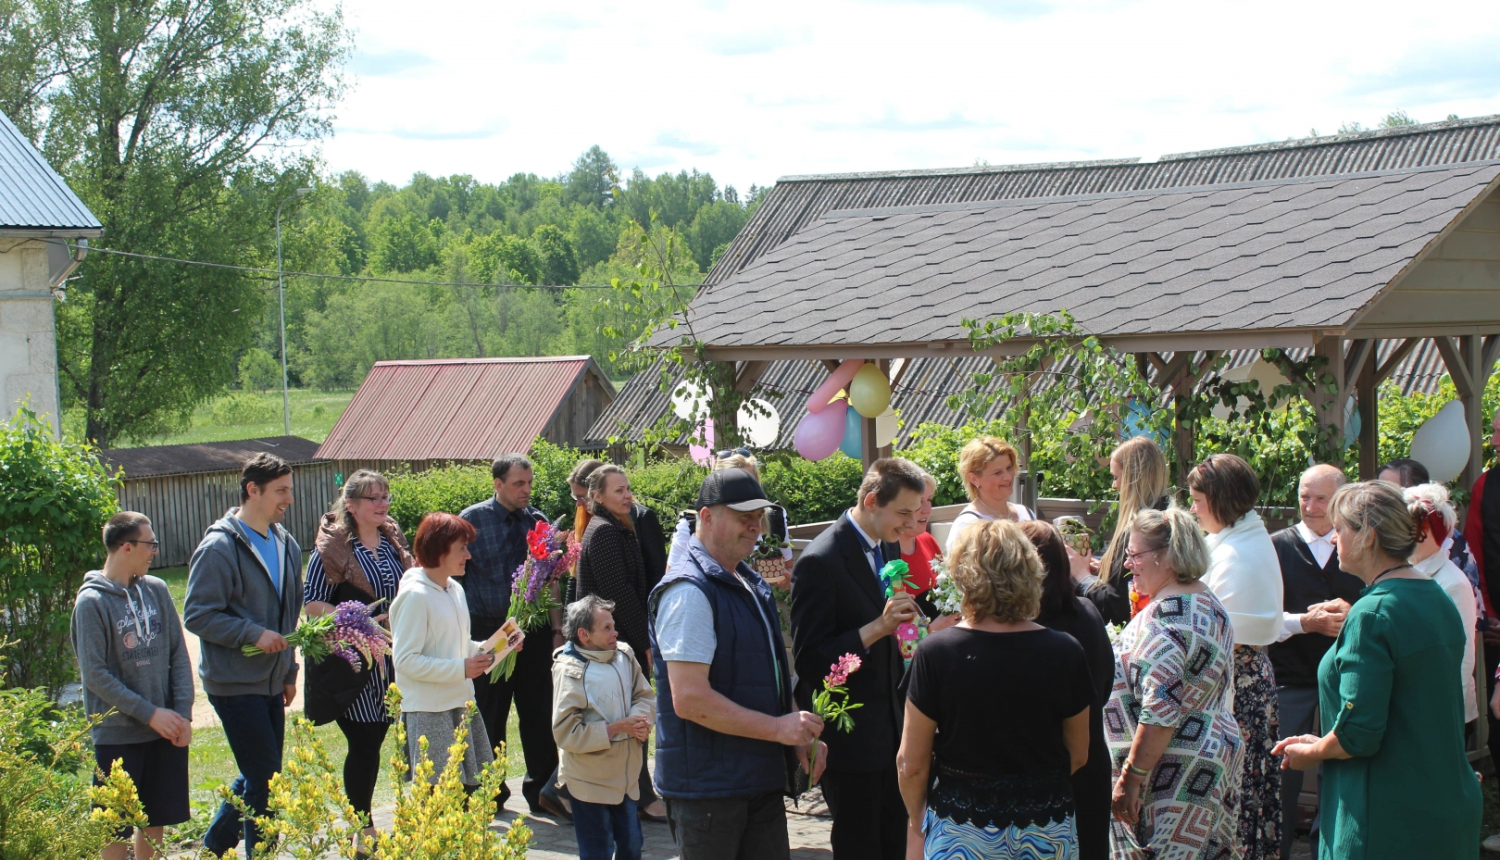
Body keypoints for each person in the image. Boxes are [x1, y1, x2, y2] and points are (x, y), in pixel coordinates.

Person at [1273, 481, 1481, 859]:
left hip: (1386, 819)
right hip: (1442, 805)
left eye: (1341, 528)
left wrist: (1311, 751)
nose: (1334, 539)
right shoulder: (1437, 594)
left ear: (1368, 536)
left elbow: (1359, 736)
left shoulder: (1372, 614)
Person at [648, 468, 826, 859]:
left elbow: (769, 677)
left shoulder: (750, 582)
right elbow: (690, 700)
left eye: (758, 516)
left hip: (753, 779)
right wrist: (778, 729)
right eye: (743, 515)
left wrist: (797, 734)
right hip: (710, 791)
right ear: (706, 517)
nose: (754, 525)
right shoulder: (688, 591)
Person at [897, 518, 1092, 859]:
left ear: (963, 576)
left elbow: (911, 764)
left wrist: (917, 820)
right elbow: (1078, 752)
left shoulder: (937, 653)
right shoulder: (1066, 651)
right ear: (1031, 572)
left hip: (962, 831)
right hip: (1046, 827)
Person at [790, 458, 925, 860]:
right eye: (903, 513)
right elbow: (810, 661)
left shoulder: (885, 545)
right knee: (860, 847)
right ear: (871, 501)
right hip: (851, 740)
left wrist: (912, 633)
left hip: (892, 731)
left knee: (894, 846)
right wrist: (876, 629)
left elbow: (893, 629)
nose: (908, 525)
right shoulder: (820, 561)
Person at [184, 453, 302, 859]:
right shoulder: (219, 547)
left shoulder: (286, 543)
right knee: (266, 778)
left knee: (259, 773)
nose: (289, 499)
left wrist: (290, 670)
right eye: (281, 491)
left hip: (271, 680)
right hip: (233, 682)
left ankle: (213, 847)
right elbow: (198, 614)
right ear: (253, 490)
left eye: (290, 489)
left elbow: (289, 617)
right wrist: (252, 633)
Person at [1106, 506, 1242, 859]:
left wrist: (1131, 778)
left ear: (1166, 557)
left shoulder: (1164, 619)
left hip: (1175, 770)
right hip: (1210, 756)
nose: (1127, 564)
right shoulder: (1209, 602)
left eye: (1134, 554)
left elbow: (1160, 712)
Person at [301, 470, 414, 854]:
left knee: (387, 740)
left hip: (394, 660)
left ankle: (392, 820)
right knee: (364, 744)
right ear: (350, 505)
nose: (383, 504)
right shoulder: (331, 548)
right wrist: (358, 621)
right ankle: (361, 830)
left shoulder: (392, 540)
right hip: (357, 663)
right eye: (373, 498)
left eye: (386, 497)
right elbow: (313, 605)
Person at [73, 513, 193, 860]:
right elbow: (95, 675)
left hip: (165, 729)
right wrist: (150, 713)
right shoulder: (91, 602)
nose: (155, 551)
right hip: (118, 733)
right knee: (115, 826)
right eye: (149, 544)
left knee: (155, 819)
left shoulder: (156, 590)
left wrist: (181, 714)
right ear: (127, 547)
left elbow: (178, 654)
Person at [1186, 452, 1283, 860]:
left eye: (1197, 499)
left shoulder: (1237, 555)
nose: (1192, 508)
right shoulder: (1237, 538)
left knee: (1237, 801)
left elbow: (1216, 631)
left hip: (1236, 692)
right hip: (1243, 683)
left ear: (1221, 500)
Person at [1266, 463, 1360, 859]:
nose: (1310, 505)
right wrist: (1306, 623)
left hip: (1345, 678)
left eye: (1321, 498)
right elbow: (1264, 616)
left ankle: (1328, 848)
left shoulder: (1357, 547)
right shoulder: (1277, 546)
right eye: (1305, 495)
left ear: (1339, 499)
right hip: (1290, 677)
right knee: (1282, 770)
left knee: (1336, 770)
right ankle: (1278, 849)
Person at [458, 454, 559, 815]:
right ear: (498, 484)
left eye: (529, 483)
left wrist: (557, 630)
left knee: (538, 713)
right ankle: (489, 791)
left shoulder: (540, 521)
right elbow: (456, 581)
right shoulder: (472, 521)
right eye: (519, 483)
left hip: (530, 631)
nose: (526, 490)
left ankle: (544, 791)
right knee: (489, 714)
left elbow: (551, 580)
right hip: (490, 631)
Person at [574, 464, 665, 820]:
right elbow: (618, 594)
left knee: (627, 716)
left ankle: (634, 792)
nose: (627, 496)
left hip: (618, 638)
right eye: (618, 491)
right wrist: (645, 641)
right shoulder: (605, 532)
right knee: (628, 717)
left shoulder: (616, 527)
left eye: (628, 489)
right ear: (597, 497)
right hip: (612, 640)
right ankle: (640, 796)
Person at [1018, 520, 1113, 860]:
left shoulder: (1026, 628)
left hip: (1045, 768)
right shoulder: (1086, 610)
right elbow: (1103, 685)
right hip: (1090, 762)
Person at [390, 512, 497, 791]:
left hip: (460, 703)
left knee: (466, 799)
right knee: (438, 801)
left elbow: (458, 646)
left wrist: (495, 648)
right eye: (461, 548)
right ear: (439, 550)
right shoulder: (415, 596)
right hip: (430, 712)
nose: (468, 555)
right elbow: (404, 661)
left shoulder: (455, 590)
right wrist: (460, 669)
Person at [552, 595, 657, 860]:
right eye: (607, 628)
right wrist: (614, 729)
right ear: (584, 634)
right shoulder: (569, 670)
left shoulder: (624, 654)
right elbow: (566, 733)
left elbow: (644, 696)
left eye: (613, 625)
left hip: (626, 778)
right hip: (589, 781)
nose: (615, 632)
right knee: (597, 852)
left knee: (632, 848)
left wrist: (642, 722)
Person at [1404, 483, 1479, 725]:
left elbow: (1463, 657)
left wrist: (1446, 714)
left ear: (1425, 528)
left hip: (1443, 715)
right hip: (1415, 708)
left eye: (1405, 523)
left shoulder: (1452, 583)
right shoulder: (1404, 570)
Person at [666, 450, 794, 580]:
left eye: (750, 481)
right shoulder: (690, 528)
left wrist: (780, 580)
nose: (755, 527)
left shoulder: (774, 517)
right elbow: (673, 580)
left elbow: (788, 568)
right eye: (735, 484)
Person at [1085, 436, 1170, 625]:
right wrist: (1105, 570)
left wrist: (1081, 577)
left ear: (1133, 478)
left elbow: (1117, 604)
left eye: (1116, 477)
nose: (1114, 485)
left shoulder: (1138, 531)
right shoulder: (1169, 518)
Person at [571, 458, 669, 593]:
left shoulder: (641, 518)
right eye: (575, 497)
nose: (579, 504)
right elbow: (575, 577)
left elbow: (656, 573)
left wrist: (650, 610)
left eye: (583, 497)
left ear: (597, 493)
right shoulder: (589, 521)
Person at [1465, 410, 1500, 768]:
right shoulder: (1485, 486)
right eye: (1493, 432)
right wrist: (1489, 613)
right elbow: (1476, 552)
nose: (1495, 442)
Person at [945, 436, 1034, 555]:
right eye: (998, 473)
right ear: (974, 479)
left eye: (1009, 468)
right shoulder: (967, 524)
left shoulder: (1026, 513)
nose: (1008, 477)